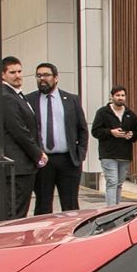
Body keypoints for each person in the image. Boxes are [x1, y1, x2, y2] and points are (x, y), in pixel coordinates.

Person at [26, 62, 88, 213]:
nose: (42, 79)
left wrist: (80, 155)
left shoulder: (71, 99)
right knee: (42, 205)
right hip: (42, 160)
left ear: (56, 78)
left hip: (68, 160)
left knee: (70, 206)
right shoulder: (29, 100)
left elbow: (82, 129)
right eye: (39, 75)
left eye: (46, 75)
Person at [0, 57, 45, 219]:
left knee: (18, 211)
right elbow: (19, 131)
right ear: (2, 75)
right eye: (12, 72)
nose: (17, 75)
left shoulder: (15, 95)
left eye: (19, 71)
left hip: (22, 165)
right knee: (15, 213)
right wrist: (38, 153)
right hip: (18, 165)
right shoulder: (6, 96)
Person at [91, 84, 137, 206]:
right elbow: (95, 131)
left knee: (119, 183)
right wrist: (111, 132)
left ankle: (116, 208)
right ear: (112, 97)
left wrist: (131, 135)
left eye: (122, 95)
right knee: (112, 181)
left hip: (124, 154)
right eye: (117, 95)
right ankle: (110, 209)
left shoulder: (130, 114)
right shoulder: (103, 113)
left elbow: (136, 132)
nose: (120, 98)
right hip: (108, 154)